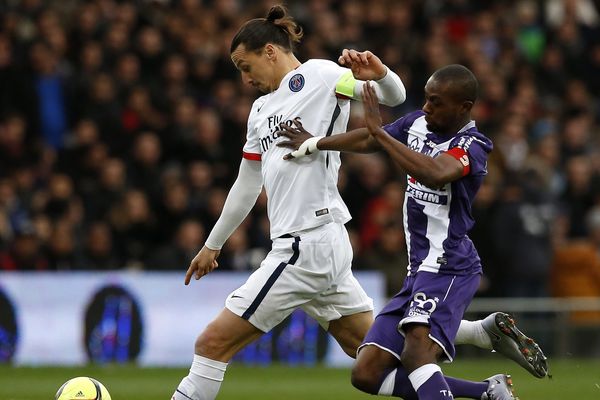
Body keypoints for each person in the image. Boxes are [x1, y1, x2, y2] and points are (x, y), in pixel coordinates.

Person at [170, 5, 407, 400]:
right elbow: (247, 183)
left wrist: (378, 73)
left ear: (269, 51)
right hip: (318, 244)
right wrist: (213, 244)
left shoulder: (319, 75)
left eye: (245, 67)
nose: (244, 79)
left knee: (211, 344)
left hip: (305, 245)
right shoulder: (260, 110)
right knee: (373, 353)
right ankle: (483, 379)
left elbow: (392, 96)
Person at [277, 65, 548, 399]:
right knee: (366, 373)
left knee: (416, 354)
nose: (426, 108)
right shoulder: (417, 125)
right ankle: (487, 391)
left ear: (463, 107)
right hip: (418, 271)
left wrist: (381, 136)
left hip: (450, 266)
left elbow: (436, 173)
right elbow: (370, 138)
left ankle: (481, 341)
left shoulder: (474, 145)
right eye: (426, 99)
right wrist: (317, 142)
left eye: (436, 102)